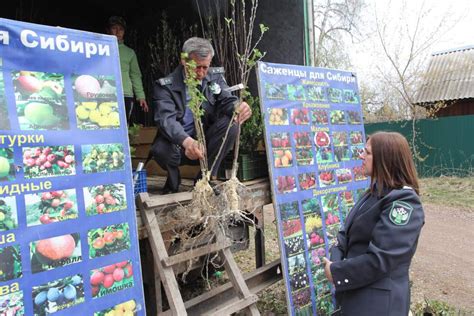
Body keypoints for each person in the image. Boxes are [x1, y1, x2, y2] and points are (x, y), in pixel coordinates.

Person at [322, 131, 425, 315]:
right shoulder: (372, 193)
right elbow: (344, 235)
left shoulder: (403, 202)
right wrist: (334, 263)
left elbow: (381, 259)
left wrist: (338, 272)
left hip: (378, 304)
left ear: (386, 158)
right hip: (356, 294)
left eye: (367, 152)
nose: (361, 156)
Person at [150, 37, 251, 194]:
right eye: (197, 67)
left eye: (206, 67)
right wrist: (187, 142)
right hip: (178, 144)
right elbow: (166, 121)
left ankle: (204, 180)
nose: (202, 73)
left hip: (205, 140)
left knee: (232, 124)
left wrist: (237, 107)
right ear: (184, 60)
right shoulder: (165, 86)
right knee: (160, 150)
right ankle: (173, 179)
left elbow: (226, 100)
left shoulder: (214, 77)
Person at [107, 16, 149, 123]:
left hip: (125, 94)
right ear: (108, 30)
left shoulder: (129, 52)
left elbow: (135, 75)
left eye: (121, 29)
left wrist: (141, 96)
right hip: (105, 93)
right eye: (114, 28)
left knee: (123, 126)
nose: (117, 32)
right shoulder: (99, 48)